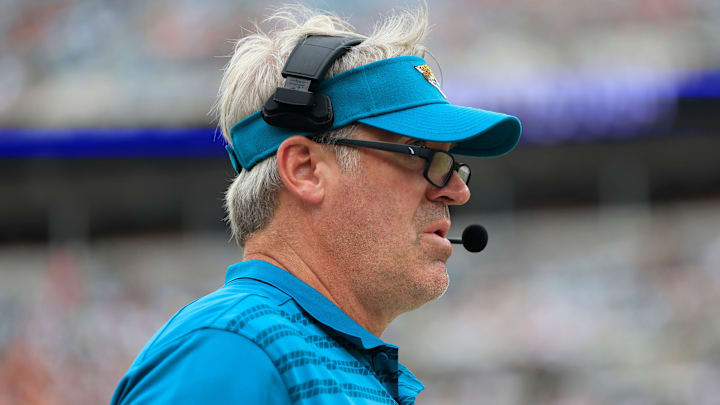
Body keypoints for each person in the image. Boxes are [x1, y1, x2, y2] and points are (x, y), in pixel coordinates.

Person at [111, 5, 520, 405]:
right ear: (305, 170)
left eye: (452, 162)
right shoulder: (231, 348)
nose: (457, 191)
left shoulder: (299, 352)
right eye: (421, 156)